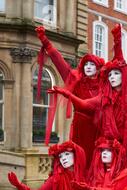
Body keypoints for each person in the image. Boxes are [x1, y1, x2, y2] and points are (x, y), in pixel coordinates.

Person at [50, 25, 127, 169]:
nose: (113, 77)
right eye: (110, 74)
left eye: (116, 73)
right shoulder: (104, 97)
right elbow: (84, 105)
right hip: (102, 145)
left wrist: (117, 42)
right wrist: (68, 94)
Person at [35, 26, 104, 167]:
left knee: (96, 165)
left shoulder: (104, 84)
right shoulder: (75, 80)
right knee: (79, 162)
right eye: (86, 64)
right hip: (79, 127)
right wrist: (45, 41)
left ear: (98, 68)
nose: (88, 67)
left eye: (92, 64)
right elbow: (59, 62)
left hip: (98, 128)